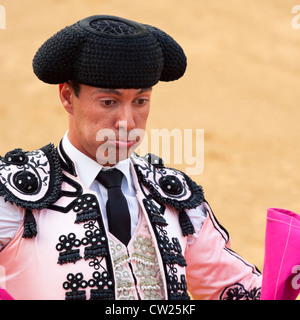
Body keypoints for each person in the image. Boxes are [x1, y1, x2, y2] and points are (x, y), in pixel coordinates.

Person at [0, 15, 262, 300]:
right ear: (67, 97)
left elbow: (235, 287)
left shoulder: (172, 195)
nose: (127, 121)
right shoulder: (13, 195)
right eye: (109, 102)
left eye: (140, 101)